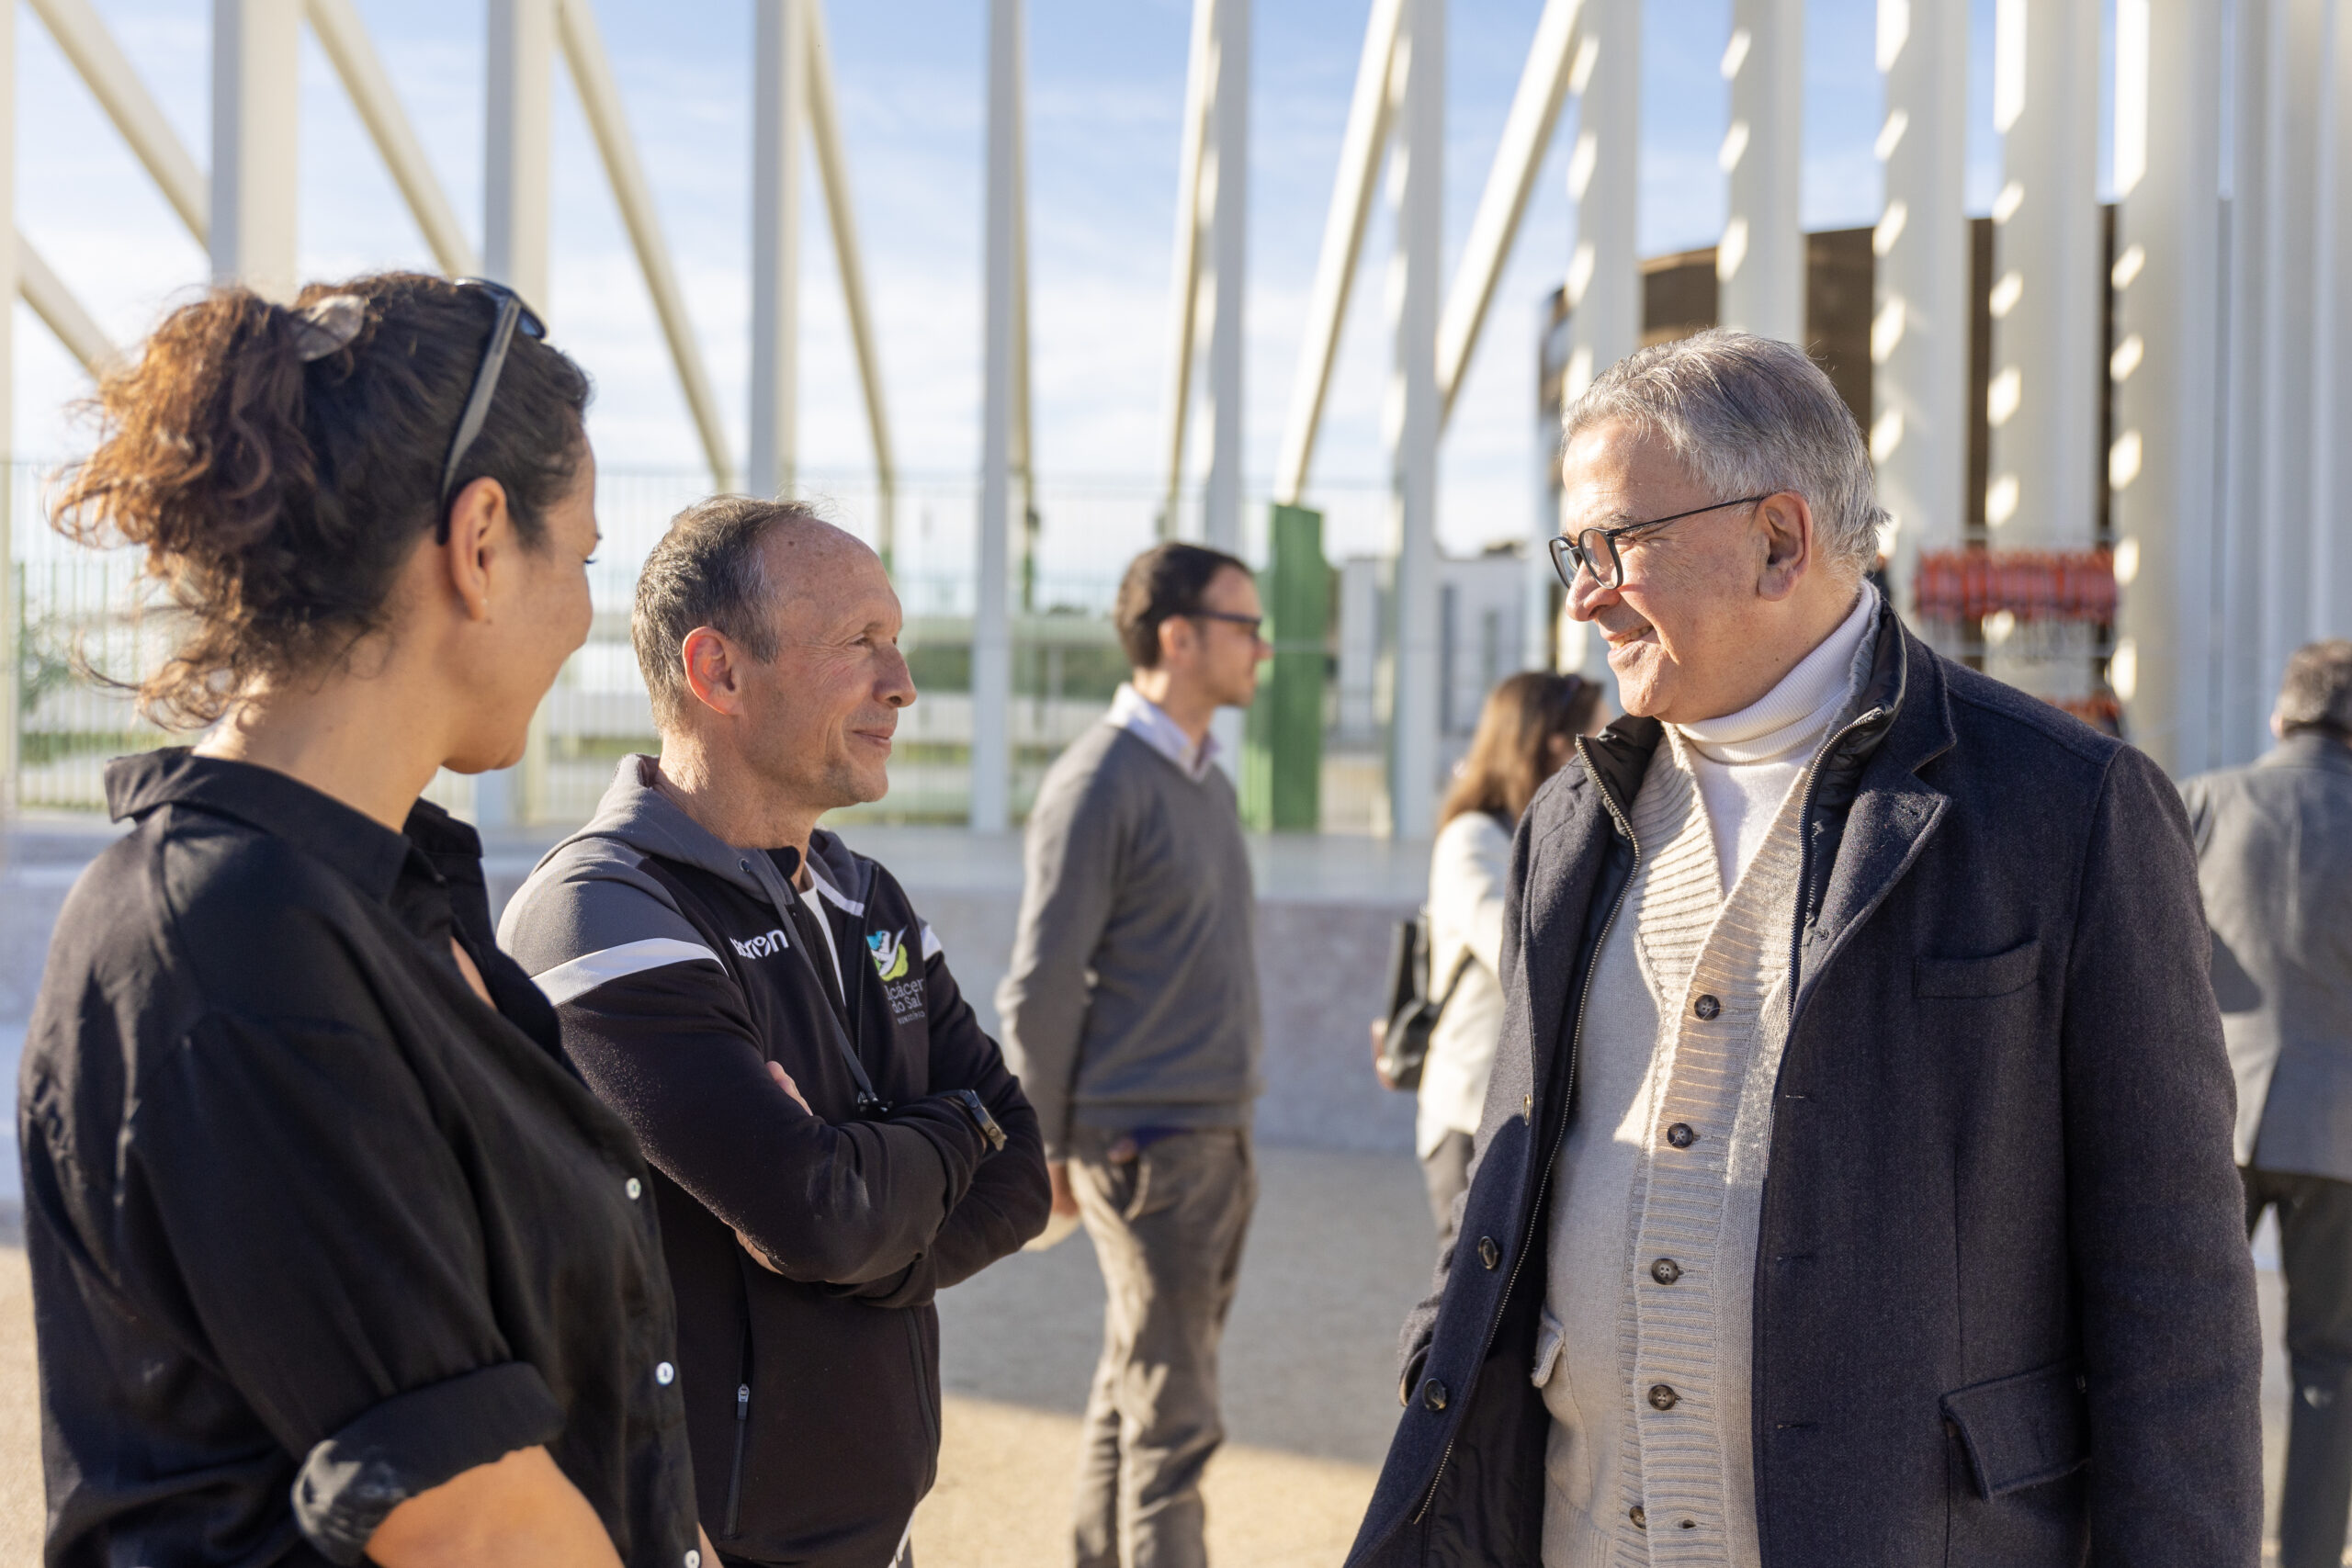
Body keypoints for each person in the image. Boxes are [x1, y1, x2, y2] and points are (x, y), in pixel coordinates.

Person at [1345, 329, 2261, 1567]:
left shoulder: (2069, 806)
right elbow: (1509, 1191)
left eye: (1616, 544)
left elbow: (2177, 1291)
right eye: (1575, 550)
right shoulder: (1567, 818)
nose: (1582, 593)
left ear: (1780, 537)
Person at [19, 275, 707, 1565]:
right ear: (483, 539)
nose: (585, 615)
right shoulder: (225, 936)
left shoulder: (393, 900)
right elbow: (474, 1519)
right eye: (587, 556)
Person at [498, 497, 1048, 1568]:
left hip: (875, 1528)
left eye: (897, 641)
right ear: (719, 674)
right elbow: (820, 1213)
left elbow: (1019, 1168)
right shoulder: (601, 910)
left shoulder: (863, 894)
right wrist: (942, 1140)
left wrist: (860, 1217)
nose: (902, 683)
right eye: (860, 643)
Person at [996, 541, 1268, 1568]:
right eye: (1244, 626)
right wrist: (1046, 1147)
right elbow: (1040, 983)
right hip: (1147, 1146)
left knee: (1136, 1391)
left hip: (1209, 1132)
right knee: (1174, 1424)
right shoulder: (1100, 782)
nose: (1263, 648)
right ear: (1178, 635)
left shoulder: (1201, 776)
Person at [2184, 640, 2352, 1568]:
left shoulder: (2206, 802)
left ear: (2280, 719)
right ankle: (2310, 1555)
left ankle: (2197, 1542)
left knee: (2191, 1354)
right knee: (2331, 1363)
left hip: (2214, 1114)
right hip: (2342, 1133)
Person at [1407, 672, 1600, 1239]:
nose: (1616, 743)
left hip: (1539, 1112)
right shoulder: (1475, 838)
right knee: (1469, 1311)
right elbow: (1519, 947)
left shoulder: (1557, 833)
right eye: (1601, 732)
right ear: (1557, 745)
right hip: (1475, 1114)